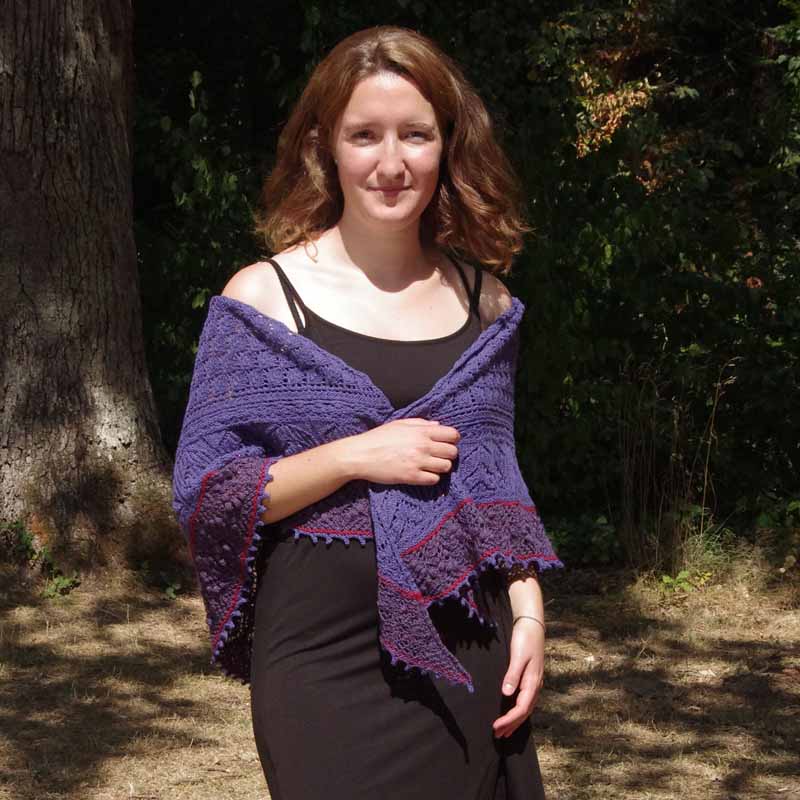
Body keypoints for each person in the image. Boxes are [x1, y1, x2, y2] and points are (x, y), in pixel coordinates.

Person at [220, 25, 550, 800]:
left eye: (416, 135)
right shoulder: (263, 299)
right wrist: (354, 456)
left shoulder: (487, 302)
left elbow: (496, 488)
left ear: (448, 146)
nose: (391, 162)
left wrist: (530, 614)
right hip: (319, 663)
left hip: (468, 640)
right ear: (325, 148)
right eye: (365, 135)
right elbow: (214, 494)